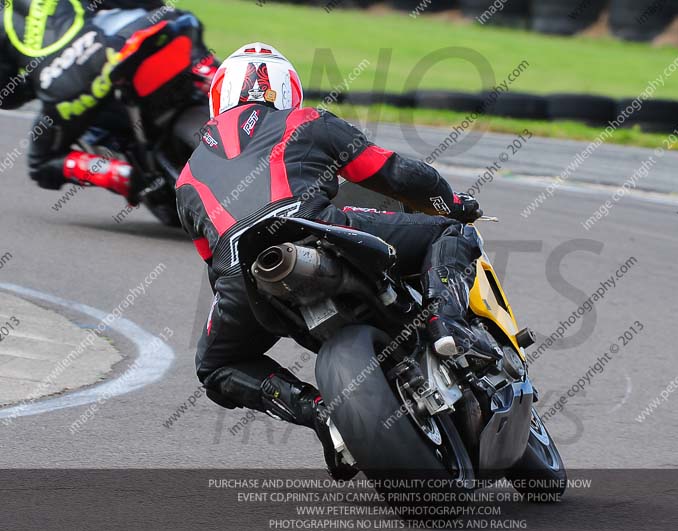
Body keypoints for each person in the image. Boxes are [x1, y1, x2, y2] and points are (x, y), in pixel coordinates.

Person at [176, 43, 484, 479]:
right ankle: (446, 327)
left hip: (243, 270)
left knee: (215, 366)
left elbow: (212, 264)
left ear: (218, 98)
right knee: (451, 234)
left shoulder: (186, 178)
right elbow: (395, 174)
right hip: (318, 227)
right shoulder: (307, 119)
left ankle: (320, 413)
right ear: (288, 92)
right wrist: (449, 203)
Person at [0, 1, 206, 203]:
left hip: (64, 91)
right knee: (176, 18)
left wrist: (39, 86)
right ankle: (217, 83)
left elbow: (6, 93)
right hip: (111, 53)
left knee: (40, 164)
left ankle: (116, 173)